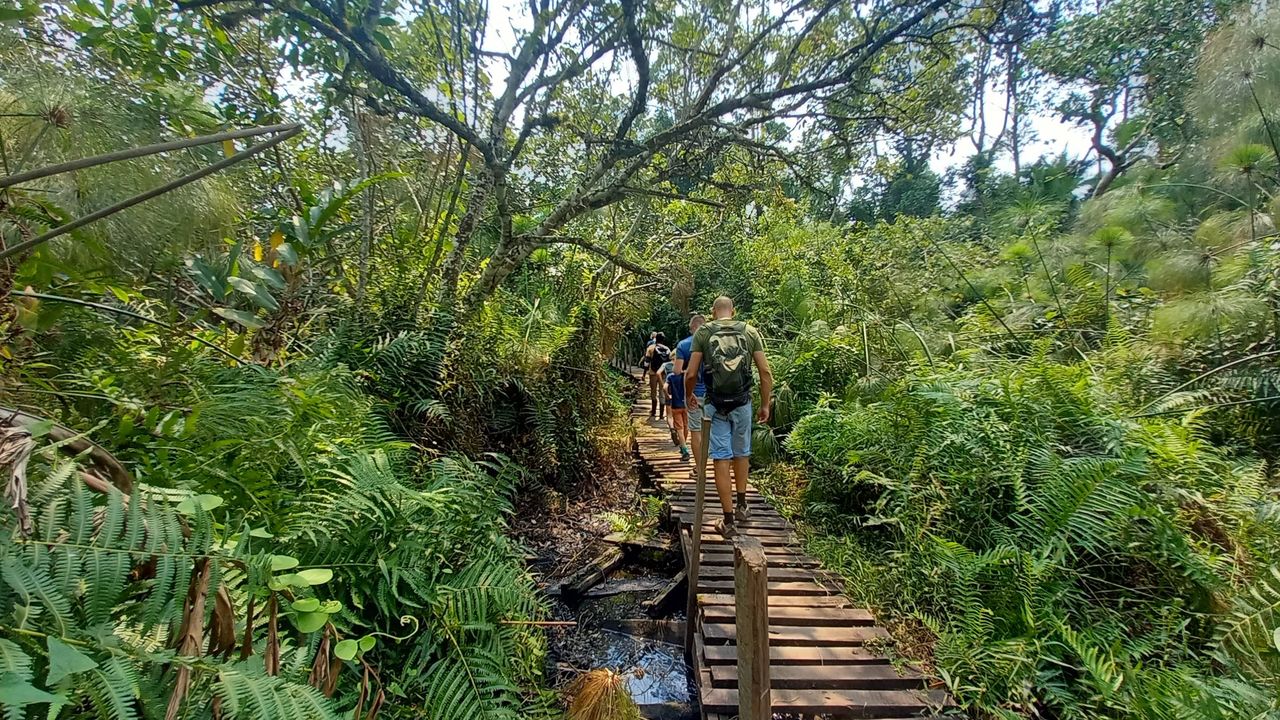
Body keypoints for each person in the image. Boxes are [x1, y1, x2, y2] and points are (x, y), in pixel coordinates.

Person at [684, 296, 772, 538]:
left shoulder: (703, 332)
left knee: (721, 457)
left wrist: (689, 395)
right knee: (742, 452)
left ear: (713, 312)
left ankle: (728, 520)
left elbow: (691, 373)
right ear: (733, 311)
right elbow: (765, 371)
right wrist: (766, 404)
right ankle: (743, 506)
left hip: (715, 404)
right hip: (743, 402)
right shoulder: (749, 331)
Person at [673, 314, 707, 469]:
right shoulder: (713, 342)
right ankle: (722, 466)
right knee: (716, 431)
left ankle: (700, 468)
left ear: (692, 327)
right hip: (715, 394)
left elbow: (677, 371)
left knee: (696, 431)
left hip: (694, 393)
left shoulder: (683, 345)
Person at [664, 360, 690, 461]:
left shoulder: (670, 376)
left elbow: (665, 387)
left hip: (675, 405)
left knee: (679, 428)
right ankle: (684, 444)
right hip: (686, 405)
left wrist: (668, 396)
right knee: (686, 426)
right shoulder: (686, 375)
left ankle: (684, 449)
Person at [643, 332, 671, 418]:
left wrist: (644, 373)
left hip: (653, 373)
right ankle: (662, 414)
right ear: (663, 340)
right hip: (663, 374)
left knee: (653, 392)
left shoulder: (651, 348)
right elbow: (669, 363)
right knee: (662, 393)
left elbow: (646, 362)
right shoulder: (667, 349)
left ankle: (653, 412)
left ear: (655, 339)